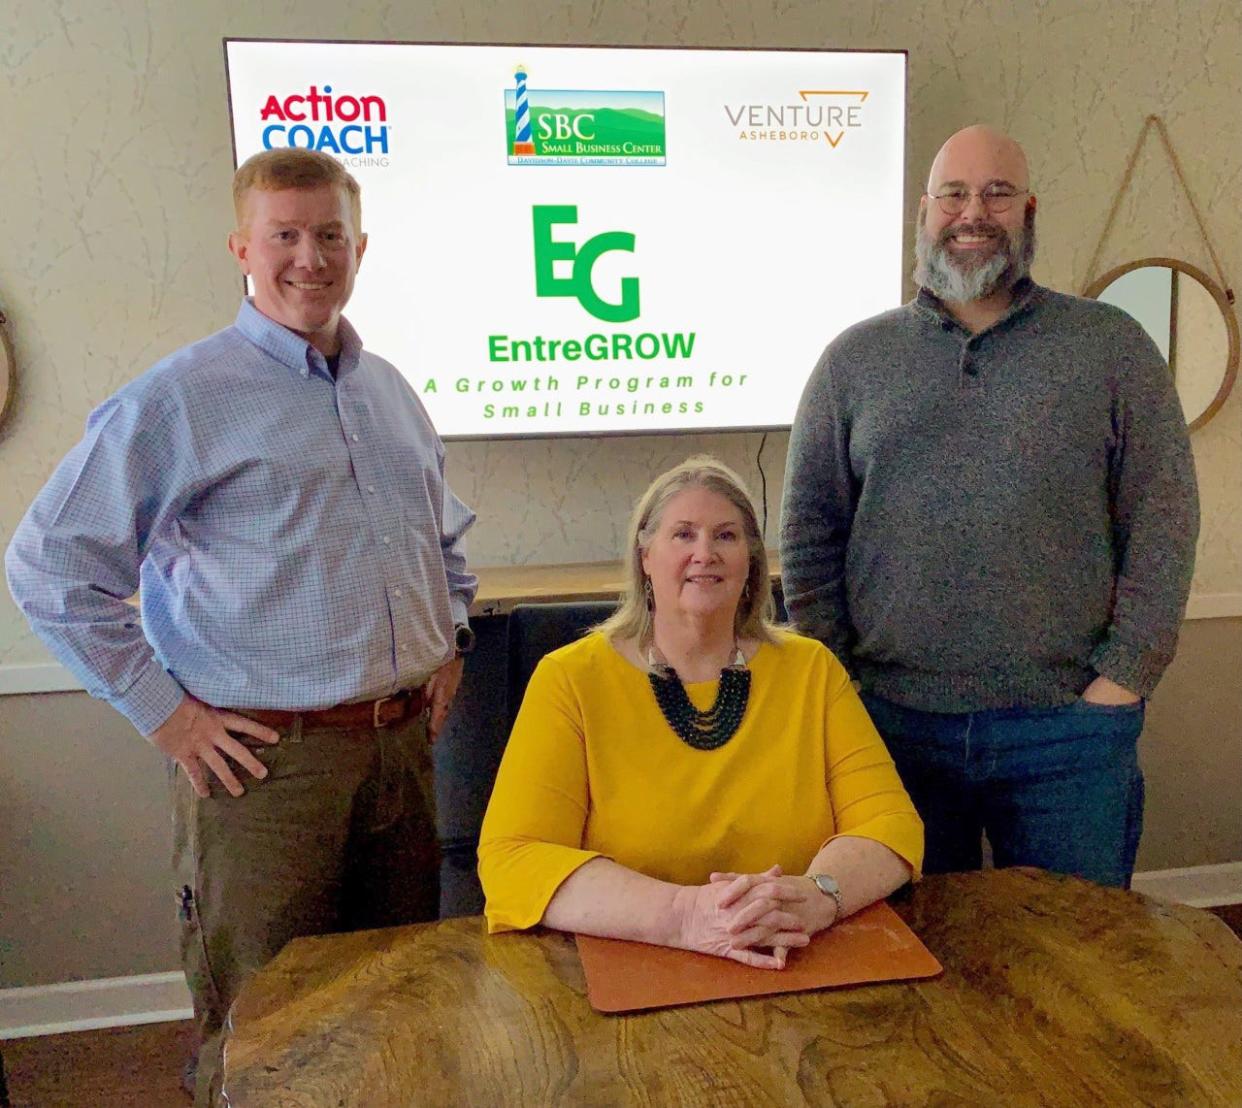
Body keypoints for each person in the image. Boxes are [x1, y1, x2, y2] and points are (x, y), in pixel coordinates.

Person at [5, 148, 478, 1104]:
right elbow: (48, 565)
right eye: (286, 236)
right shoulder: (180, 398)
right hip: (265, 770)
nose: (311, 256)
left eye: (330, 235)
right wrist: (171, 719)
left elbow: (444, 539)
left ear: (361, 246)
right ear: (242, 248)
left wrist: (451, 638)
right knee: (266, 1032)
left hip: (400, 756)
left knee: (396, 1006)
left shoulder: (388, 390)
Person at [780, 124, 1199, 889]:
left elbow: (1163, 520)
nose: (974, 212)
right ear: (924, 211)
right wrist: (841, 680)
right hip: (889, 729)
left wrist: (1121, 682)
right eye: (955, 193)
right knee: (905, 974)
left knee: (1078, 971)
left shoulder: (1111, 348)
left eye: (997, 193)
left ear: (1028, 210)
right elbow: (808, 536)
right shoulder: (853, 360)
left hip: (1067, 735)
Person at [478, 456, 922, 968]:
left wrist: (816, 898)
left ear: (751, 560)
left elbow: (892, 825)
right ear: (645, 555)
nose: (704, 554)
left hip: (796, 955)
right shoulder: (570, 679)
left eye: (727, 536)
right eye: (683, 535)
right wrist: (686, 915)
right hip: (630, 970)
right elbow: (514, 859)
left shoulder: (812, 670)